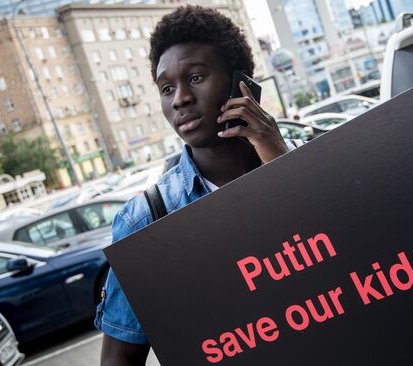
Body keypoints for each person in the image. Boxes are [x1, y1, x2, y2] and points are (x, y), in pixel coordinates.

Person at [95, 5, 290, 365]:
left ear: (240, 81)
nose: (179, 99)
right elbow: (119, 359)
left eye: (196, 78)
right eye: (166, 88)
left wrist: (280, 156)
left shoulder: (319, 162)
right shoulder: (145, 221)